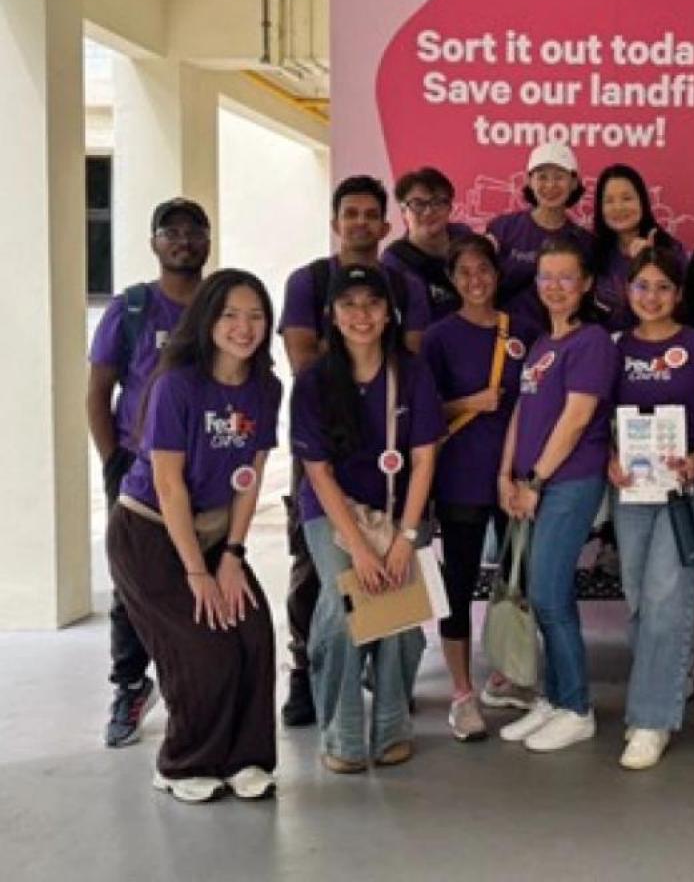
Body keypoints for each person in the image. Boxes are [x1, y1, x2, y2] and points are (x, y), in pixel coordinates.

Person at [106, 269, 281, 803]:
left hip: (215, 533)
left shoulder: (266, 388)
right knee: (202, 646)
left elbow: (250, 479)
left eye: (255, 316)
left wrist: (232, 555)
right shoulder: (176, 384)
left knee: (252, 634)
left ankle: (246, 759)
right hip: (150, 531)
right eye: (230, 314)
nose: (243, 327)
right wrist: (198, 572)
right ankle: (183, 763)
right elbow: (168, 484)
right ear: (207, 320)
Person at [276, 175, 434, 728]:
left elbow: (403, 360)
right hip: (328, 460)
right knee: (322, 583)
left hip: (389, 471)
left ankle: (388, 707)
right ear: (335, 221)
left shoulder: (405, 286)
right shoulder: (308, 281)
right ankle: (311, 682)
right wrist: (346, 382)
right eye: (352, 214)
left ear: (387, 224)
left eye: (372, 214)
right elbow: (303, 358)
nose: (362, 223)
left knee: (392, 600)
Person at [292, 265, 444, 773]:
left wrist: (404, 538)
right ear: (332, 316)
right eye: (349, 304)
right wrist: (358, 548)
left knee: (398, 616)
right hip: (333, 511)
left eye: (372, 303)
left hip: (402, 506)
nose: (362, 315)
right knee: (343, 607)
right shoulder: (313, 381)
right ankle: (343, 733)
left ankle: (392, 725)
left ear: (389, 313)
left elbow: (424, 460)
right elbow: (318, 471)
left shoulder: (412, 373)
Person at [88, 197, 211, 748]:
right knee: (132, 584)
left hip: (206, 472)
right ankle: (132, 685)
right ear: (154, 242)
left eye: (194, 231)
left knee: (202, 575)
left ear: (208, 240)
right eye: (171, 231)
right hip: (137, 471)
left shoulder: (219, 306)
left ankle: (197, 683)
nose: (183, 240)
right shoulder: (133, 308)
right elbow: (98, 391)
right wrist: (114, 460)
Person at [608, 247, 694, 769]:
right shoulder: (614, 348)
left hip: (685, 486)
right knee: (639, 593)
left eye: (662, 287)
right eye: (641, 286)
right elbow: (598, 416)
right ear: (626, 292)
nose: (651, 297)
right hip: (631, 487)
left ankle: (652, 719)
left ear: (679, 294)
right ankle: (674, 667)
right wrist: (610, 458)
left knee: (666, 593)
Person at [497, 238, 618, 752]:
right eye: (546, 276)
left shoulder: (592, 342)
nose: (554, 287)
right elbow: (523, 413)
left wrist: (536, 482)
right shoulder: (544, 346)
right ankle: (555, 695)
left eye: (566, 277)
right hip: (531, 484)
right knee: (545, 595)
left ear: (586, 282)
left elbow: (576, 419)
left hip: (568, 483)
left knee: (548, 594)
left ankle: (577, 709)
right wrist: (506, 474)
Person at [422, 235, 540, 739]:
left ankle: (507, 676)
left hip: (516, 477)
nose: (476, 280)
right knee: (458, 584)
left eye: (483, 270)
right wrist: (472, 400)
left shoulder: (525, 330)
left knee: (519, 581)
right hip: (461, 475)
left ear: (497, 274)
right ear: (453, 280)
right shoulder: (438, 337)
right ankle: (463, 694)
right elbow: (424, 413)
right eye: (464, 272)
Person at [489, 144, 595, 334]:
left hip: (560, 341)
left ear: (573, 182)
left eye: (559, 177)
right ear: (529, 181)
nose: (550, 185)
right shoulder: (503, 229)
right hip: (504, 338)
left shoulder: (584, 242)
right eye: (542, 177)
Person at [590, 163, 686, 331]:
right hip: (607, 347)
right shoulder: (593, 251)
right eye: (609, 201)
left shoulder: (670, 250)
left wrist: (649, 261)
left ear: (642, 201)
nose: (618, 207)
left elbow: (684, 309)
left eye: (627, 198)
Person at [381, 166, 473, 319]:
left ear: (450, 208)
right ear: (404, 211)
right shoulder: (394, 261)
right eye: (418, 204)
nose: (428, 211)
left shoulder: (465, 238)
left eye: (437, 202)